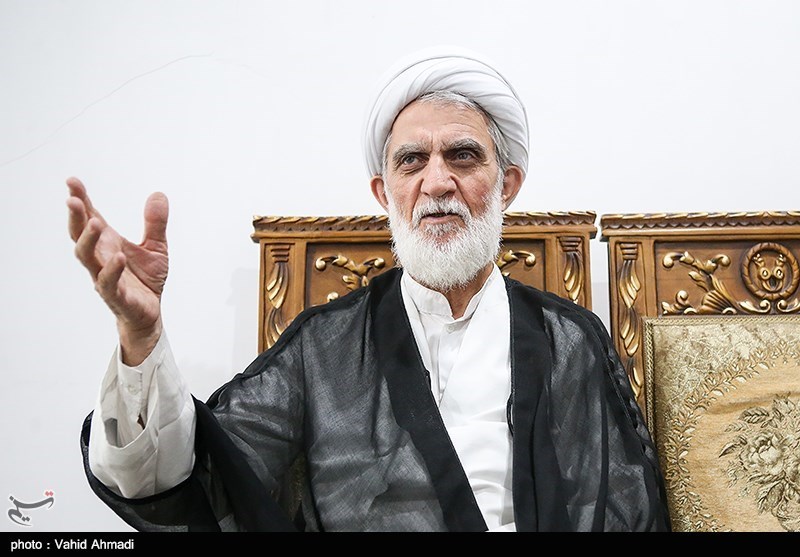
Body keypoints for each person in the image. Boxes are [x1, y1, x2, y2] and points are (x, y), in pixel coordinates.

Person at [67, 47, 671, 532]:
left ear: (506, 184)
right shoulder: (322, 348)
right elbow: (197, 478)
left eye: (463, 156)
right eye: (412, 162)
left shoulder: (568, 337)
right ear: (385, 193)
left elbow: (629, 509)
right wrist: (141, 337)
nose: (437, 182)